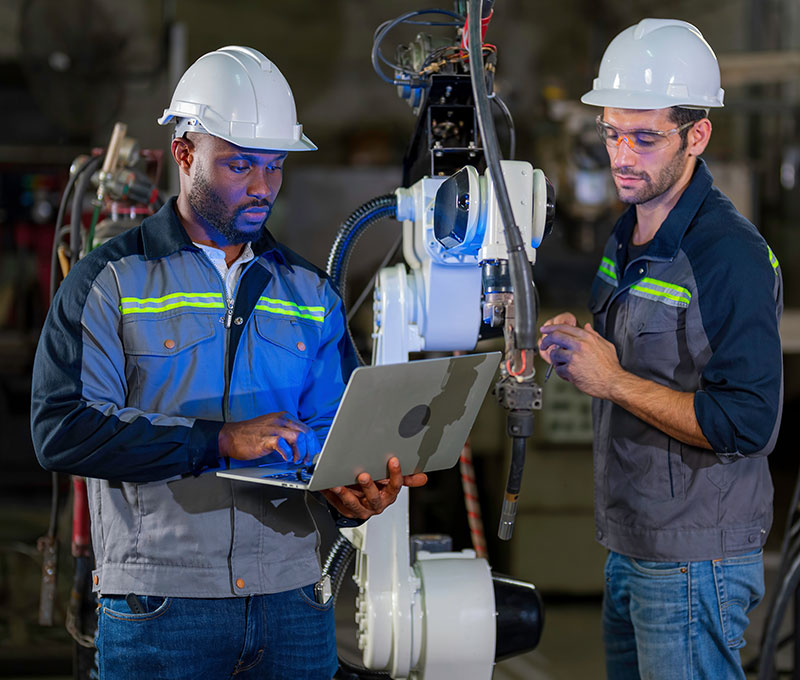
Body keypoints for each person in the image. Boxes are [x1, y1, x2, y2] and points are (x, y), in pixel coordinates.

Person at [30, 46, 427, 679]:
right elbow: (62, 429)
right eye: (240, 165)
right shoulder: (110, 280)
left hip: (293, 602)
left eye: (274, 166)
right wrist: (220, 442)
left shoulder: (307, 290)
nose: (263, 187)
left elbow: (335, 432)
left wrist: (355, 488)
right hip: (162, 606)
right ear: (185, 153)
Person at [538, 19, 783, 680]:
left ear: (696, 135)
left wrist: (612, 380)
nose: (622, 155)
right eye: (612, 133)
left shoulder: (727, 255)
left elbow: (747, 423)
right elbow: (625, 351)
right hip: (634, 543)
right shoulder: (632, 229)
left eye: (645, 138)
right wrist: (579, 347)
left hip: (694, 560)